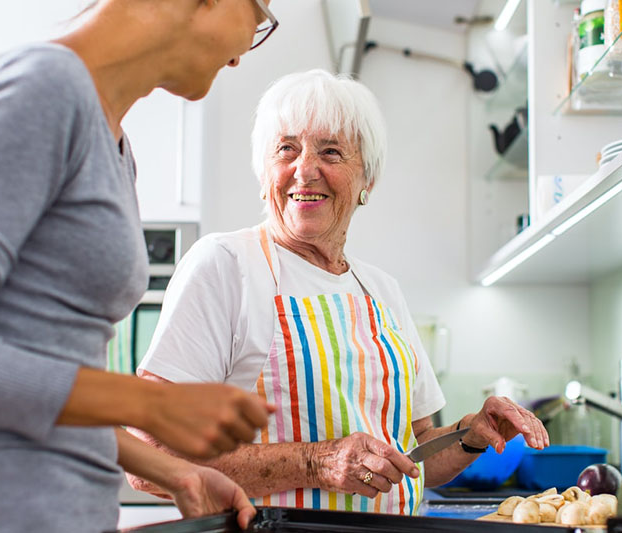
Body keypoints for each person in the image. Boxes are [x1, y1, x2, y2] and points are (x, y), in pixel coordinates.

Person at [130, 69, 550, 516]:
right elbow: (149, 455)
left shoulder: (381, 290)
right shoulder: (226, 265)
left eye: (330, 151)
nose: (305, 170)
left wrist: (469, 435)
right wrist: (316, 463)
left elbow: (415, 452)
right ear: (264, 171)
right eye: (286, 149)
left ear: (367, 180)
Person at [0, 0, 280, 531]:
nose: (243, 54)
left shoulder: (115, 145)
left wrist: (174, 472)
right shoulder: (45, 90)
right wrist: (149, 404)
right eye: (261, 13)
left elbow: (41, 383)